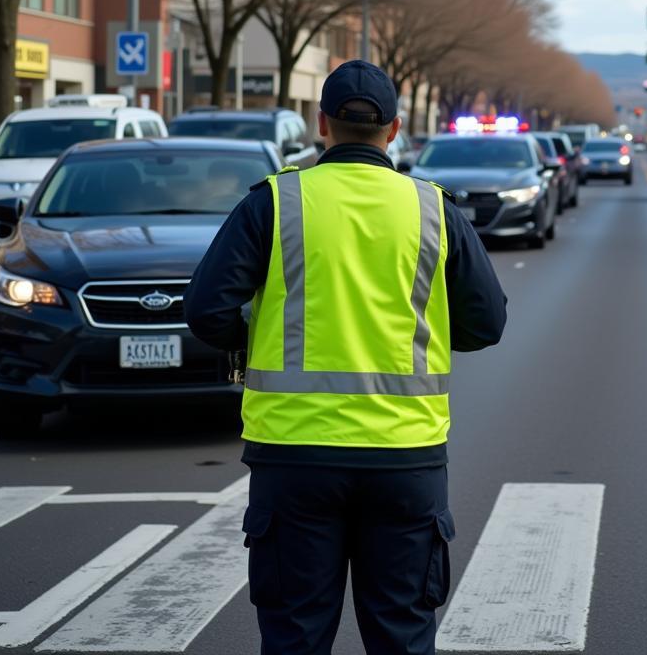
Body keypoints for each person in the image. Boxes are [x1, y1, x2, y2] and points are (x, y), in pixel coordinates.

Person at [185, 60, 507, 655]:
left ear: (321, 123)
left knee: (295, 635)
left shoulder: (274, 202)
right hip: (405, 456)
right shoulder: (433, 209)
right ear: (394, 128)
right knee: (402, 635)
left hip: (294, 454)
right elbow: (487, 323)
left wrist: (254, 336)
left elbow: (205, 311)